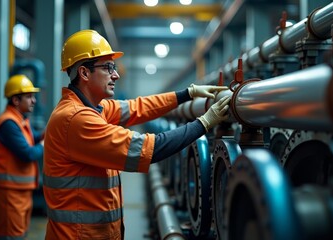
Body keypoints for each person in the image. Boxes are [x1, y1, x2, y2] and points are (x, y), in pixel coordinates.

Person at [43, 29, 231, 240]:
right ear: (85, 73)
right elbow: (152, 148)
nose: (116, 74)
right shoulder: (76, 119)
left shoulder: (96, 108)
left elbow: (137, 108)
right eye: (108, 67)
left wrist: (186, 94)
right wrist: (204, 123)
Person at [0, 74, 44, 239]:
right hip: (10, 193)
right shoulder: (8, 123)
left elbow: (34, 137)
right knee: (11, 236)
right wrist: (45, 144)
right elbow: (28, 154)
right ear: (15, 100)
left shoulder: (20, 120)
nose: (34, 101)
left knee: (20, 233)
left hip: (21, 191)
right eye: (29, 97)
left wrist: (51, 131)